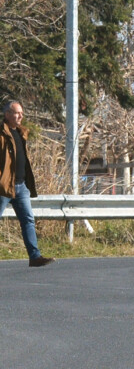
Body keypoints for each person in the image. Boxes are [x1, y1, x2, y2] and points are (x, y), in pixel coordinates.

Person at [1, 101, 51, 268]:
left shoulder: (21, 133)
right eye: (17, 113)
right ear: (7, 114)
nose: (21, 116)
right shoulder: (1, 134)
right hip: (4, 187)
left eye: (21, 113)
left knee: (28, 220)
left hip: (21, 186)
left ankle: (35, 257)